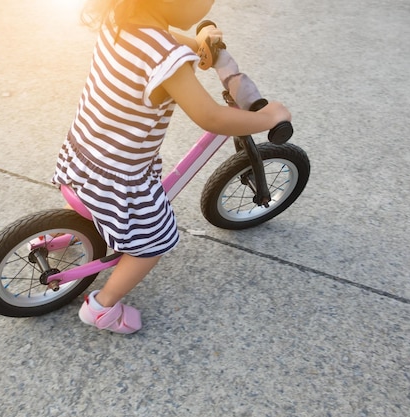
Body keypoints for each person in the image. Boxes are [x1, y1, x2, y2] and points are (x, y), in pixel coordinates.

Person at [52, 0, 291, 334]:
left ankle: (66, 234)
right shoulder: (168, 59)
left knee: (95, 192)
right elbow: (210, 116)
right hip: (120, 176)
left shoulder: (120, 19)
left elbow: (158, 37)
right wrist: (267, 117)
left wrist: (197, 44)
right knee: (155, 242)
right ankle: (103, 308)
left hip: (84, 148)